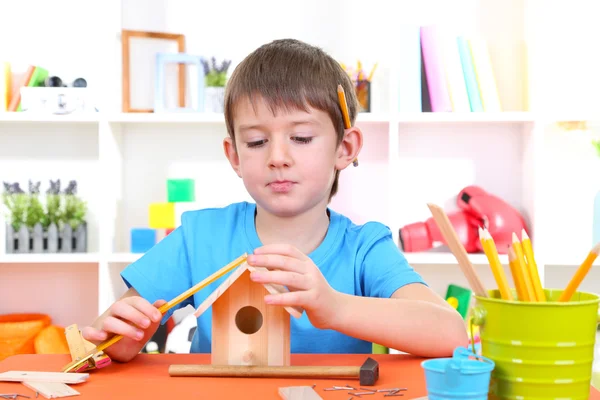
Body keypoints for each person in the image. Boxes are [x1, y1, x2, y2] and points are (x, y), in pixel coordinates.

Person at [82, 38, 468, 363]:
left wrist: (334, 308)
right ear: (234, 156)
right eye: (256, 142)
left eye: (300, 138)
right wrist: (123, 342)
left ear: (344, 148)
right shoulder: (200, 235)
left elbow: (451, 335)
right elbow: (107, 334)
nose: (277, 157)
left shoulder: (366, 247)